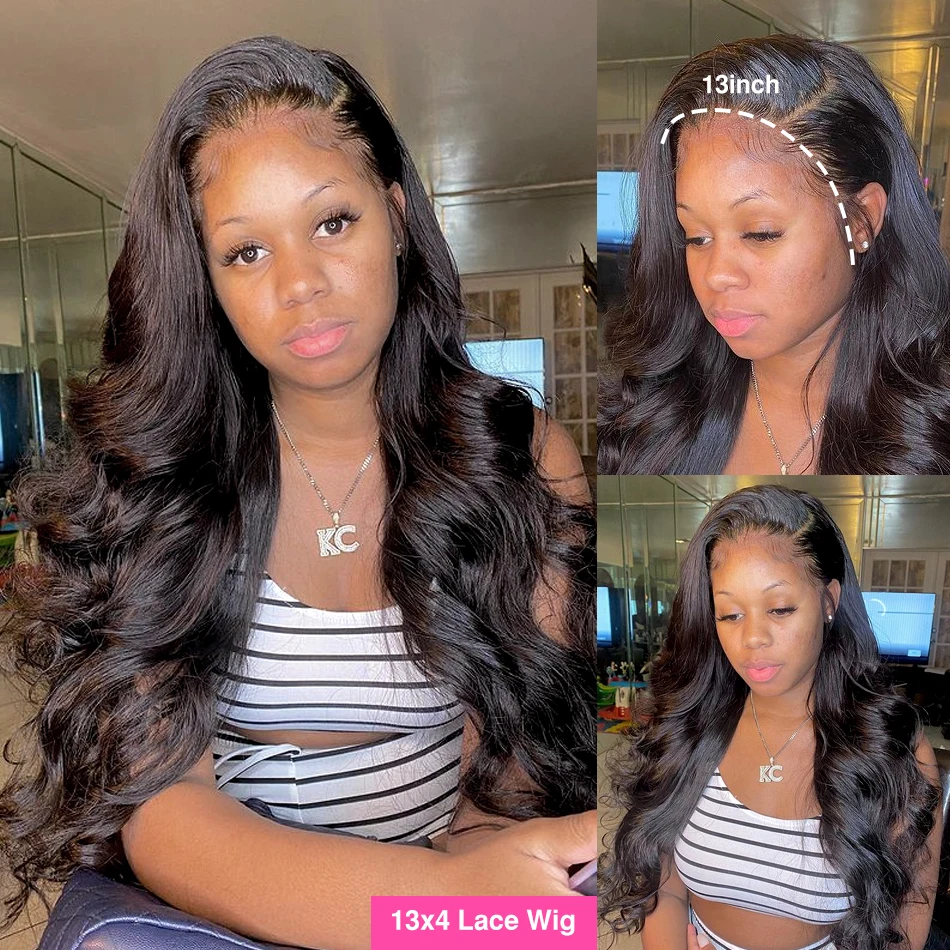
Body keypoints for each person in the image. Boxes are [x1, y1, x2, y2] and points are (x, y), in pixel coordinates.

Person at [0, 36, 596, 950]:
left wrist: (469, 889)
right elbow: (164, 810)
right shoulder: (164, 475)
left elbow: (509, 783)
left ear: (396, 215)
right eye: (245, 251)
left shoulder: (522, 458)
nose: (300, 285)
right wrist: (427, 902)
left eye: (332, 222)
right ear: (204, 279)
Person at [599, 485, 943, 950]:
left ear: (829, 600)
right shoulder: (690, 726)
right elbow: (666, 889)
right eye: (730, 615)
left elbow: (906, 921)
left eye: (779, 609)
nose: (753, 638)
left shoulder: (895, 750)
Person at [597, 34, 950, 474]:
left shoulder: (934, 430)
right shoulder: (643, 420)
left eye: (761, 233)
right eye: (696, 237)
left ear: (861, 221)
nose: (716, 275)